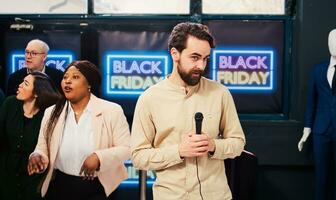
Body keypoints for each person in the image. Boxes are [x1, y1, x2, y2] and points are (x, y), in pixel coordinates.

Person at [131, 22, 246, 200]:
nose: (201, 65)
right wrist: (178, 151)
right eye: (195, 57)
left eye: (206, 58)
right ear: (175, 53)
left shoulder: (220, 93)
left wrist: (213, 145)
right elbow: (139, 157)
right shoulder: (149, 99)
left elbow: (238, 143)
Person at [27, 60, 131, 200]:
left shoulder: (111, 110)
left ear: (89, 84)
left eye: (75, 77)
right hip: (60, 186)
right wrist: (37, 156)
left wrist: (99, 157)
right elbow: (42, 147)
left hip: (98, 187)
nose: (67, 81)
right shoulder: (52, 112)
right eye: (65, 77)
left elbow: (127, 149)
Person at [298, 29, 336, 200]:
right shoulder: (318, 70)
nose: (334, 45)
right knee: (320, 176)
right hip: (320, 130)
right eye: (331, 40)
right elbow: (311, 101)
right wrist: (307, 129)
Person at [0, 71, 61, 200]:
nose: (20, 85)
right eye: (22, 81)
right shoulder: (9, 103)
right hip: (7, 174)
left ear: (36, 93)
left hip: (34, 178)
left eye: (25, 84)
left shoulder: (49, 115)